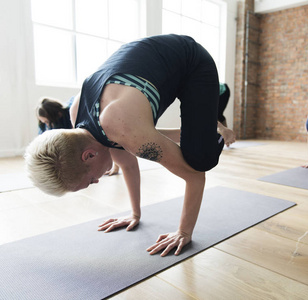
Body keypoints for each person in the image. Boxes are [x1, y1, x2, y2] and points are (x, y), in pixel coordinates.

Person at [25, 34, 236, 257]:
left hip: (193, 61)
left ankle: (212, 130)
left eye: (90, 181)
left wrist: (184, 232)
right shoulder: (79, 117)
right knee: (141, 140)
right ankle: (204, 127)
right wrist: (134, 214)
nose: (97, 181)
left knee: (199, 159)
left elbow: (195, 176)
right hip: (152, 59)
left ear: (88, 156)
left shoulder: (122, 126)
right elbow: (128, 165)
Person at [36, 97, 120, 176]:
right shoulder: (50, 126)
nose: (46, 124)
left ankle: (116, 164)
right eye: (43, 122)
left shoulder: (74, 115)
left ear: (59, 114)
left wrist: (116, 164)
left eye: (47, 122)